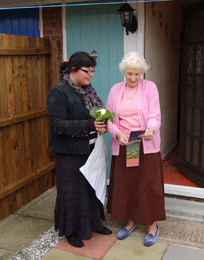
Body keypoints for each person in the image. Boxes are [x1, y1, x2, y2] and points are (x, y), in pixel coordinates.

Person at [46, 51, 111, 248]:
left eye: (93, 71)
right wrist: (90, 125)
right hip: (68, 153)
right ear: (73, 70)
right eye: (87, 71)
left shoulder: (87, 89)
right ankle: (71, 230)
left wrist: (102, 120)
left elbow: (93, 113)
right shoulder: (59, 92)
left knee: (90, 187)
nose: (91, 75)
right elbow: (58, 125)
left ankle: (93, 223)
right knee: (71, 192)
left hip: (89, 149)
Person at [106, 52, 166, 247]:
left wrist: (151, 129)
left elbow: (155, 115)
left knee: (148, 184)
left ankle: (152, 226)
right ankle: (130, 221)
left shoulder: (150, 88)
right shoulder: (115, 90)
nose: (133, 78)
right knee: (128, 184)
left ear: (142, 73)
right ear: (124, 72)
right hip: (126, 143)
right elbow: (109, 119)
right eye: (129, 73)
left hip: (145, 144)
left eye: (137, 74)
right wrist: (116, 134)